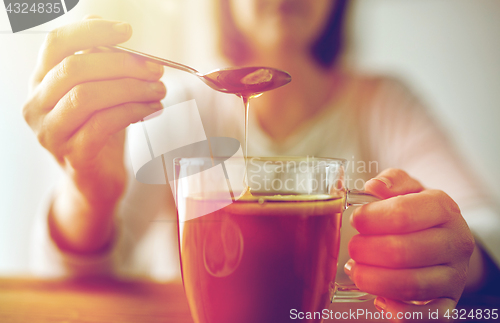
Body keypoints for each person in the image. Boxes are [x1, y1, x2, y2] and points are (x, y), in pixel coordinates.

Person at [23, 0, 499, 321]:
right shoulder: (182, 110)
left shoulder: (382, 104)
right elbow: (72, 281)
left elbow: (484, 229)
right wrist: (91, 194)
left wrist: (460, 256)